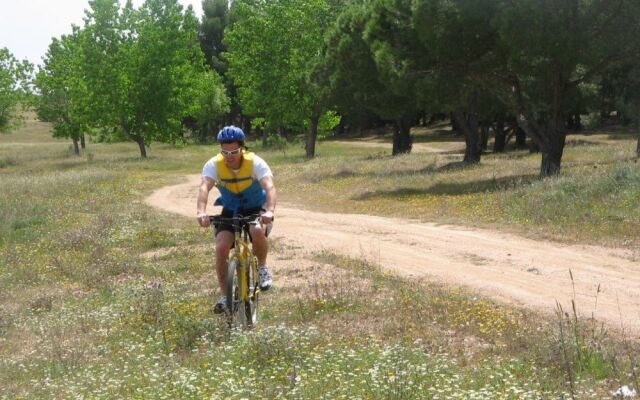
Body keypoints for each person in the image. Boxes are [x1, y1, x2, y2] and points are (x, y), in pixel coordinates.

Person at [196, 125, 276, 313]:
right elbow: (204, 187)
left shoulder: (256, 163)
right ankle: (225, 295)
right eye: (225, 151)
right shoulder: (213, 165)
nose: (229, 156)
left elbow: (270, 186)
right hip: (231, 209)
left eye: (234, 151)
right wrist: (201, 211)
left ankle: (263, 268)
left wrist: (270, 210)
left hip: (257, 208)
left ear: (242, 148)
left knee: (256, 230)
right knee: (221, 247)